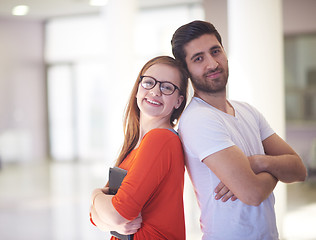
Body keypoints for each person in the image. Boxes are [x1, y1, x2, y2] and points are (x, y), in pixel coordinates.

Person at [171, 20, 307, 240]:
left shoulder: (247, 111)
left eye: (215, 51)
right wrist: (275, 168)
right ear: (186, 70)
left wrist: (257, 163)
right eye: (199, 58)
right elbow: (252, 193)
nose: (212, 63)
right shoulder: (198, 119)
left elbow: (299, 169)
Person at [89, 56, 189, 240]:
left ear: (178, 101)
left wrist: (95, 194)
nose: (155, 91)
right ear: (137, 89)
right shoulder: (136, 145)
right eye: (149, 82)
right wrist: (105, 215)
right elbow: (95, 217)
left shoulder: (161, 139)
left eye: (167, 87)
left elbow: (116, 214)